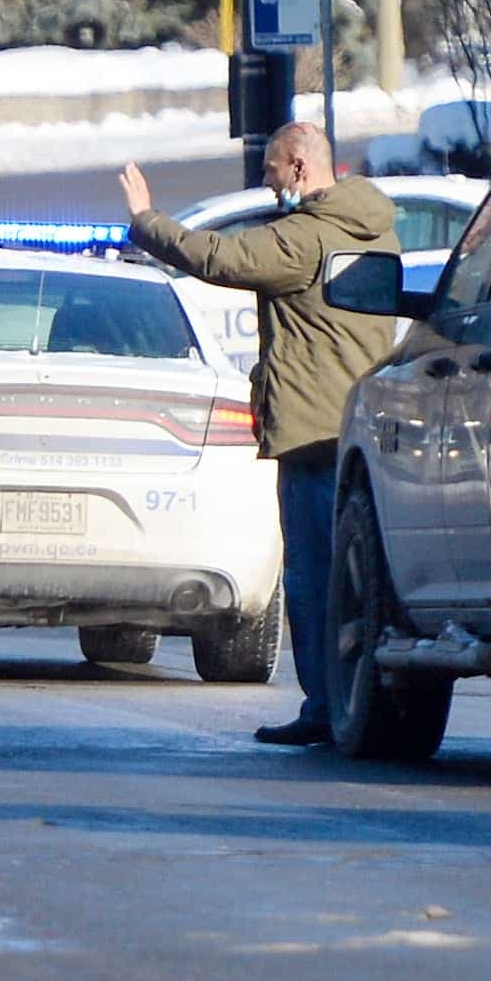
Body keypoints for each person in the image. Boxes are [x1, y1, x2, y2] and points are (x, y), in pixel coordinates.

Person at [119, 122, 401, 747]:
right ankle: (348, 704)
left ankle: (325, 708)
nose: (268, 182)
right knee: (350, 581)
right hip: (353, 429)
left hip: (309, 434)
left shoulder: (305, 239)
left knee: (311, 578)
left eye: (272, 170)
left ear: (299, 167)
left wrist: (146, 221)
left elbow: (221, 258)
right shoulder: (375, 228)